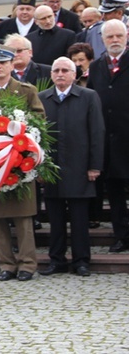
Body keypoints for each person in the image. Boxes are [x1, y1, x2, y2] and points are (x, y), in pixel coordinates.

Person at [0, 45, 44, 281]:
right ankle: (6, 264)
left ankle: (27, 264)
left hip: (19, 162)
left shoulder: (26, 90)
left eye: (3, 63)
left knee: (22, 219)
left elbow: (39, 120)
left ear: (12, 65)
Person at [38, 57, 104, 277]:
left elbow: (97, 133)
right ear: (51, 75)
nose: (60, 74)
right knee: (55, 221)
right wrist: (39, 168)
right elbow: (35, 137)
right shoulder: (42, 99)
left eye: (65, 70)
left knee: (79, 220)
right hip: (52, 169)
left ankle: (81, 261)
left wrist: (94, 166)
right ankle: (56, 260)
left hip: (80, 167)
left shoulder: (88, 97)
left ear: (74, 75)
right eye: (56, 70)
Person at [86, 19, 129, 252]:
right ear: (102, 39)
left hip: (128, 136)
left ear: (126, 37)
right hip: (108, 141)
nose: (114, 40)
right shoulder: (96, 66)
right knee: (114, 193)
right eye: (110, 37)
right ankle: (122, 235)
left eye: (118, 36)